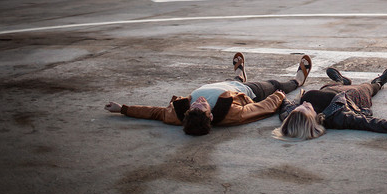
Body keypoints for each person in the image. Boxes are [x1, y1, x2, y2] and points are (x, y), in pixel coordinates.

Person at [105, 52, 312, 136]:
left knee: (233, 81)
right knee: (277, 84)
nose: (199, 102)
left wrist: (122, 108)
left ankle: (239, 75)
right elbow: (260, 108)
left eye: (194, 105)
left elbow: (153, 112)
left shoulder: (179, 115)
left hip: (224, 84)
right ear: (210, 116)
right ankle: (297, 79)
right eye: (202, 106)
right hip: (250, 92)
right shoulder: (232, 114)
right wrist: (277, 96)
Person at [275, 65, 387, 140]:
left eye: (299, 107)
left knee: (327, 87)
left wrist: (280, 97)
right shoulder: (339, 117)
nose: (304, 104)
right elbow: (370, 123)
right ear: (312, 121)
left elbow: (285, 105)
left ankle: (341, 80)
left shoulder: (290, 114)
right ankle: (379, 81)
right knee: (367, 88)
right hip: (353, 96)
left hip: (331, 89)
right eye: (306, 109)